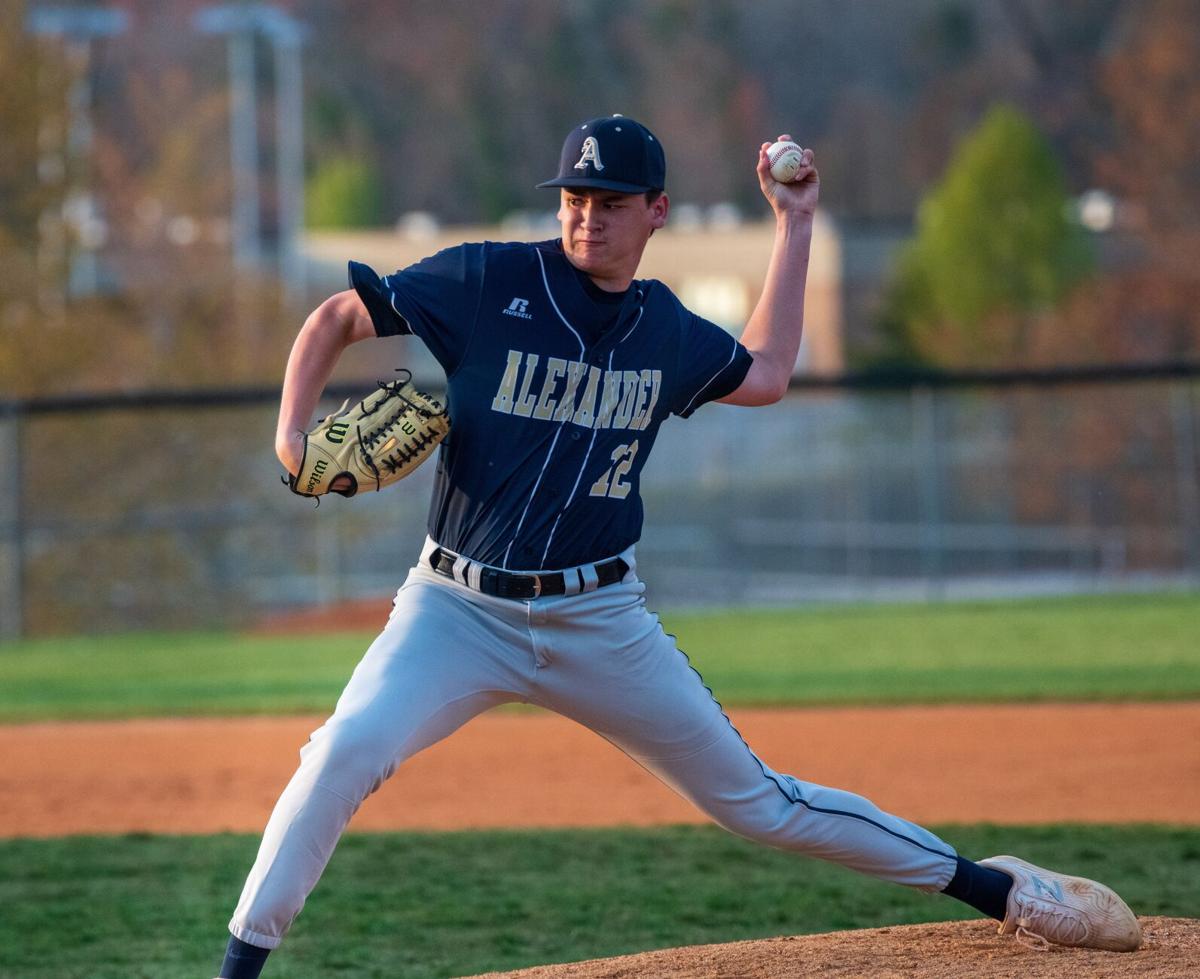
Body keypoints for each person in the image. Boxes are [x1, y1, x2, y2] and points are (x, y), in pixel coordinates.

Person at [216, 115, 1140, 978]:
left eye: (612, 203)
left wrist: (796, 223)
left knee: (759, 803)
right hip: (456, 609)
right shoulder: (489, 280)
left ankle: (1007, 889)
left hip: (597, 616)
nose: (588, 219)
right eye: (575, 200)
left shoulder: (663, 328)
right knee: (338, 754)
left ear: (655, 212)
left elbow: (769, 373)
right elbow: (337, 316)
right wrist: (292, 435)